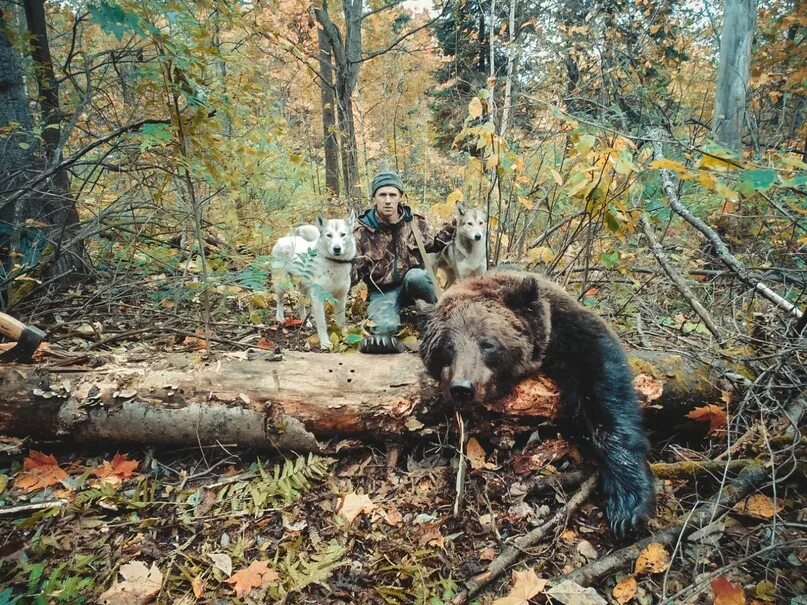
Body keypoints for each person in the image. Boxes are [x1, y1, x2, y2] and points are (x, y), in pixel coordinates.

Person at [354, 171, 455, 354]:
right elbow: (354, 273)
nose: (387, 200)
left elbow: (436, 243)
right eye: (382, 195)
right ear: (374, 197)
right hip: (382, 291)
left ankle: (438, 321)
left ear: (400, 197)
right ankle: (402, 346)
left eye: (392, 195)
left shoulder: (415, 222)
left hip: (413, 284)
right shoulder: (362, 231)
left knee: (418, 276)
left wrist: (456, 225)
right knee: (384, 330)